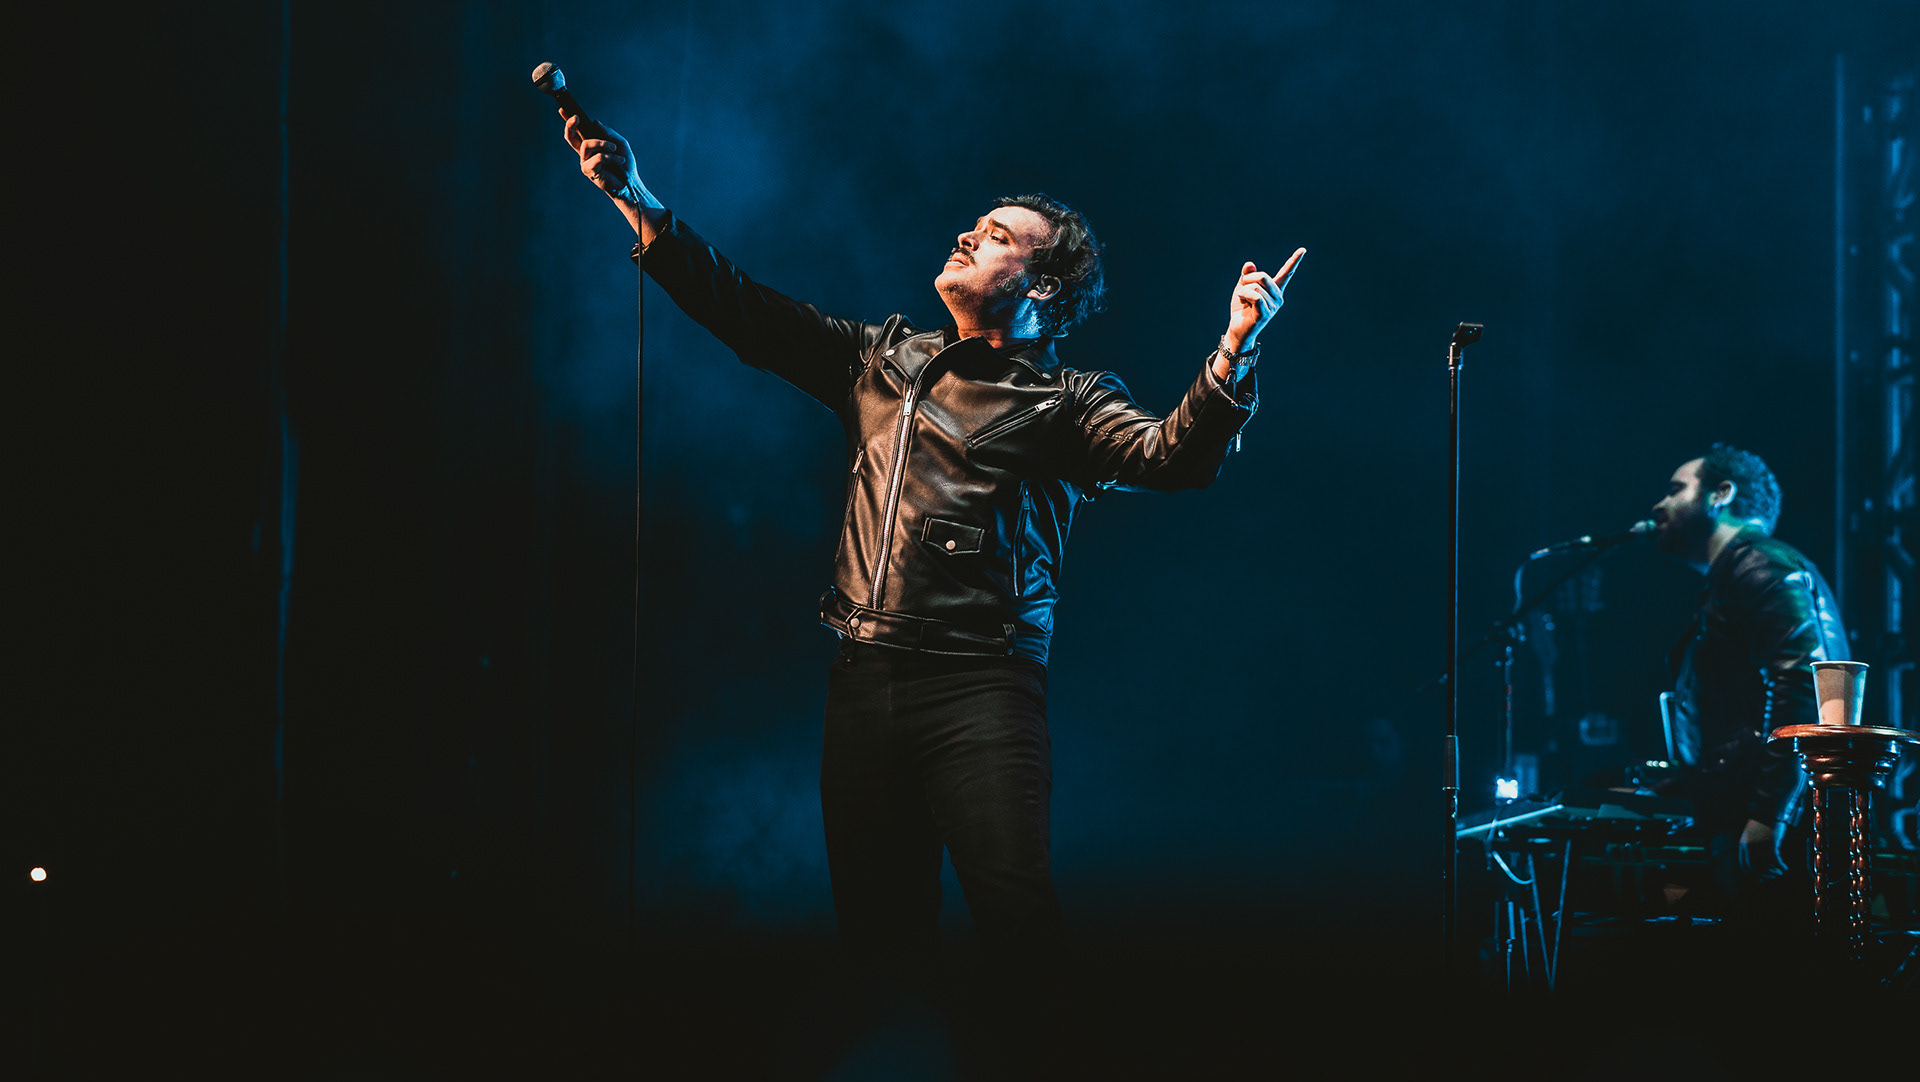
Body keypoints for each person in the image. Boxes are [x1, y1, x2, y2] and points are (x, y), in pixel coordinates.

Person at [560, 115, 1304, 1026]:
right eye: (974, 226)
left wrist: (1234, 351)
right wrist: (635, 197)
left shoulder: (1065, 401)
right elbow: (746, 311)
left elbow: (1170, 456)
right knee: (881, 948)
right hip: (863, 682)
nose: (966, 236)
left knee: (1020, 932)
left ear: (1041, 283)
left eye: (996, 236)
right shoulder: (880, 359)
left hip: (981, 689)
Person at [1649, 443, 1847, 918]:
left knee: (1773, 956)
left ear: (1721, 494)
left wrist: (1771, 812)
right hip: (1753, 810)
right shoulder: (1736, 574)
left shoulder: (1760, 565)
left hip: (1772, 821)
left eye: (1676, 489)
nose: (1659, 504)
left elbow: (1804, 683)